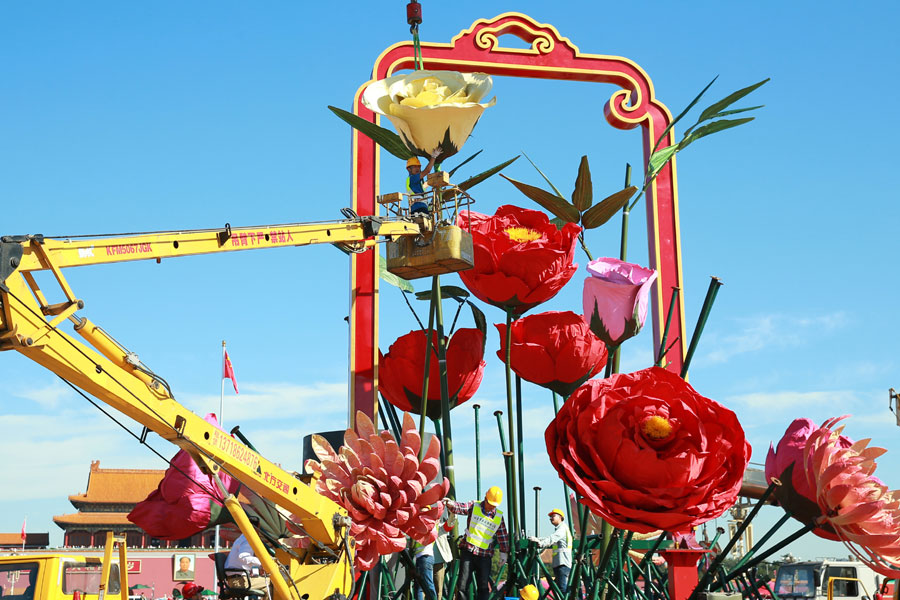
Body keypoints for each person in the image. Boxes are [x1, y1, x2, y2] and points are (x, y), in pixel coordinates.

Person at [443, 486, 509, 600]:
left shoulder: (498, 517)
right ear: (485, 498)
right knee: (462, 586)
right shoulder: (474, 506)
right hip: (468, 551)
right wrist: (450, 504)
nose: (492, 507)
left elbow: (502, 536)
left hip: (485, 555)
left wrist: (504, 553)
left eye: (494, 505)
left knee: (483, 587)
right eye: (490, 503)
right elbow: (460, 508)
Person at [528, 508, 572, 594]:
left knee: (562, 589)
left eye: (553, 516)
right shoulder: (560, 529)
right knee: (560, 588)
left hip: (562, 563)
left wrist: (540, 543)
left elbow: (552, 538)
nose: (551, 518)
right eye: (550, 517)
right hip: (560, 563)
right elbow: (550, 538)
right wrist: (538, 539)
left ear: (560, 517)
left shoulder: (562, 529)